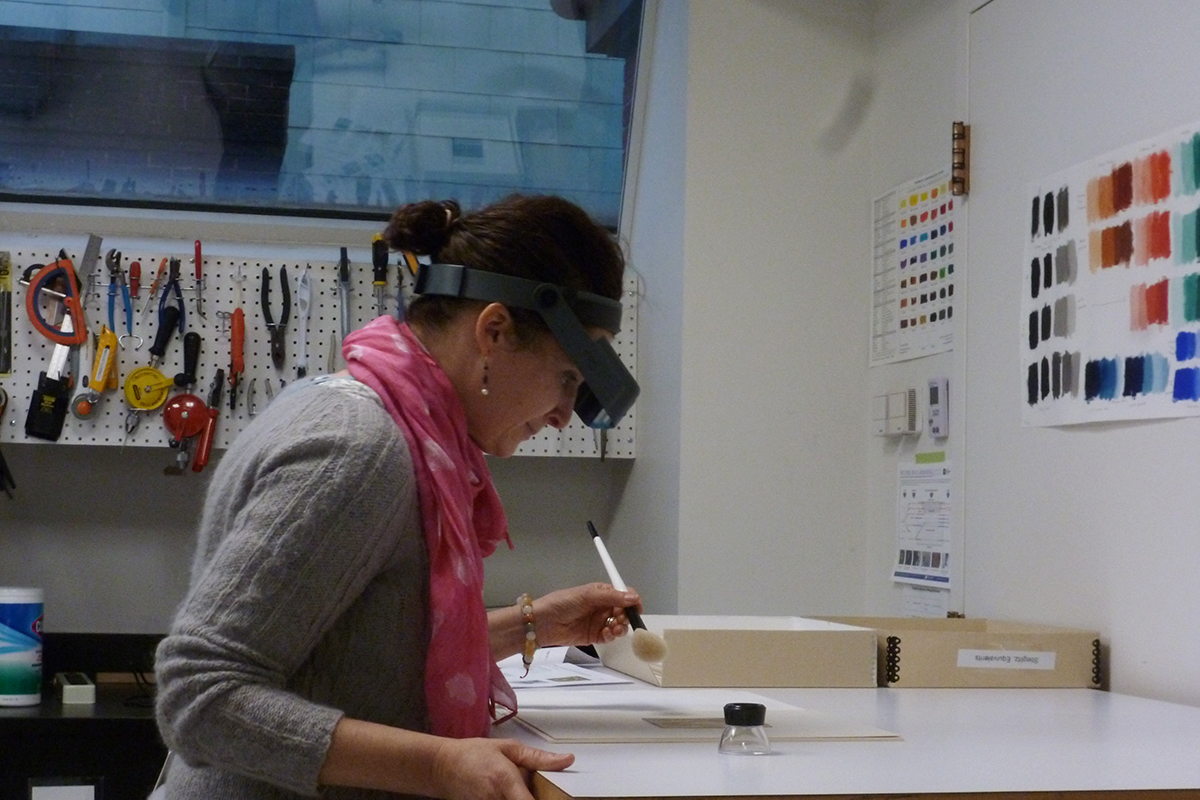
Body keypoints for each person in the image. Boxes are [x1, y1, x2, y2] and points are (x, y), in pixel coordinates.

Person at [154, 194, 642, 800]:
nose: (567, 414)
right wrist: (438, 766)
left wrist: (532, 625)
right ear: (493, 331)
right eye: (568, 377)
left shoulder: (399, 429)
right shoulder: (358, 449)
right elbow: (198, 694)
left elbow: (351, 646)